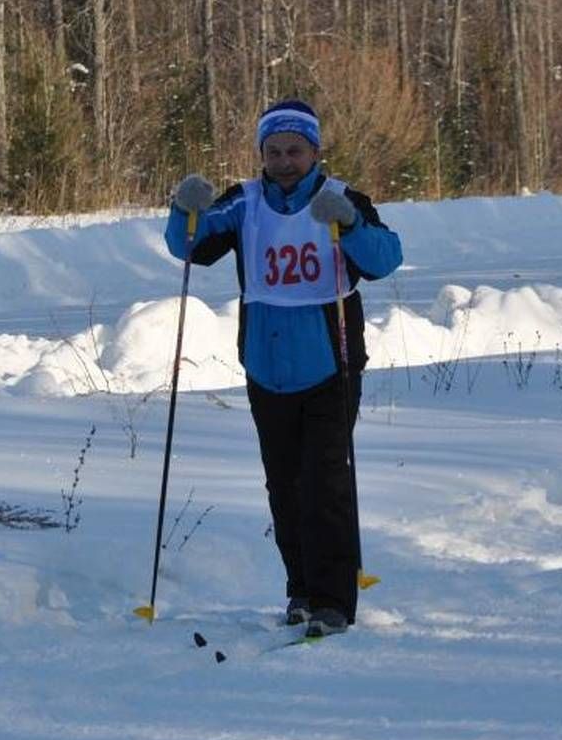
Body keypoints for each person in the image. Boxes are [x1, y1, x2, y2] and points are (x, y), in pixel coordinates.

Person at [165, 99, 403, 637]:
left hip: (331, 363)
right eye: (273, 151)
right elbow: (190, 247)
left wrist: (350, 225)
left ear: (315, 151)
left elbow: (386, 258)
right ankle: (300, 589)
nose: (284, 160)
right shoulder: (245, 202)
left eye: (295, 150)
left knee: (325, 483)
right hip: (266, 366)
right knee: (284, 486)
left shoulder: (342, 197)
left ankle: (333, 600)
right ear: (261, 154)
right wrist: (184, 209)